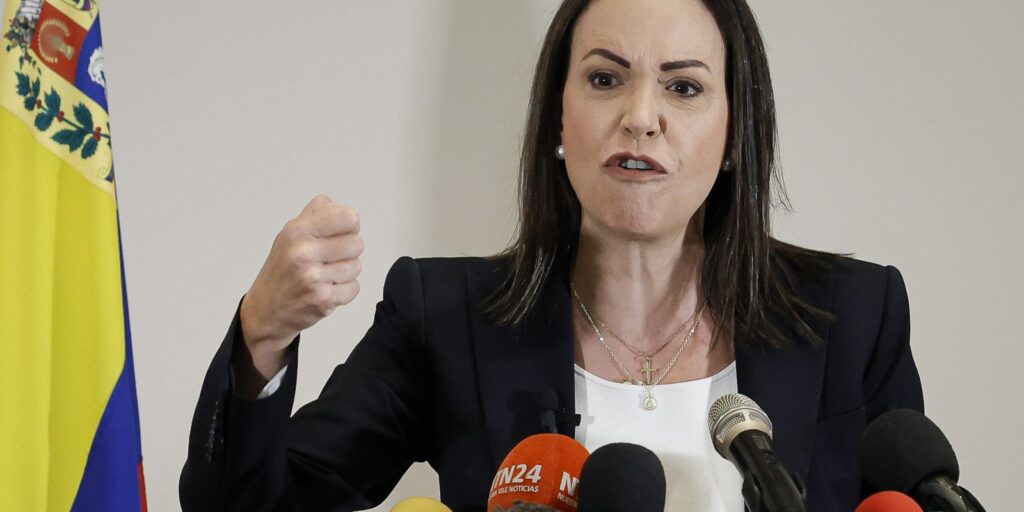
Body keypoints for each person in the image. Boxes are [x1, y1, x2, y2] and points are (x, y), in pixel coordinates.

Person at [180, 0, 924, 510]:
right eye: (605, 79)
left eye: (683, 86)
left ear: (734, 134)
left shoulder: (853, 319)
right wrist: (262, 334)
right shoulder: (447, 321)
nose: (641, 117)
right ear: (559, 121)